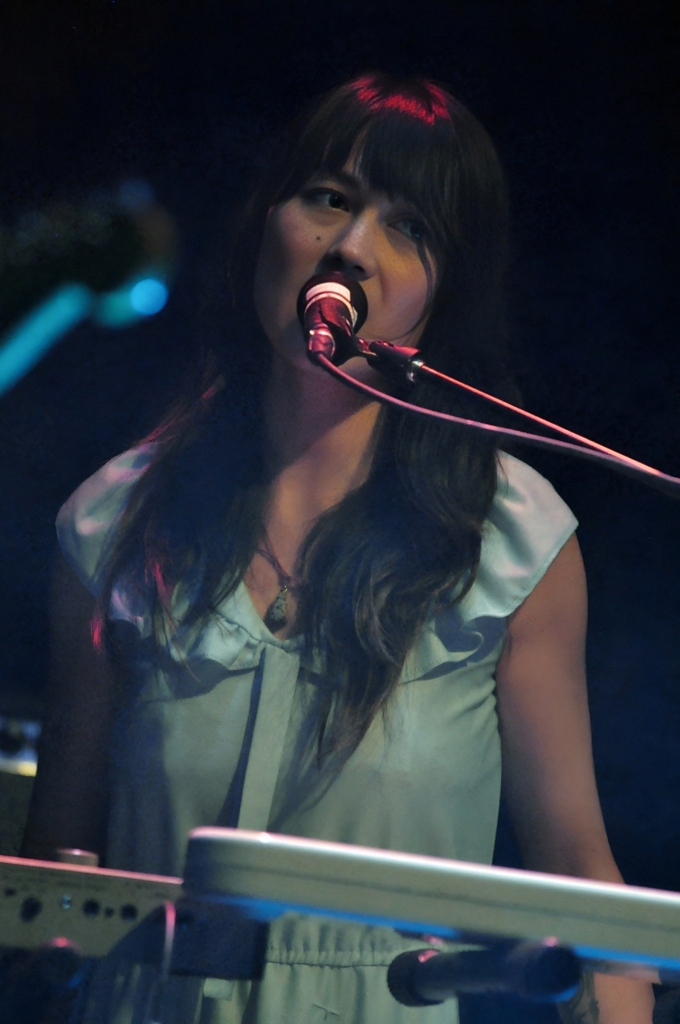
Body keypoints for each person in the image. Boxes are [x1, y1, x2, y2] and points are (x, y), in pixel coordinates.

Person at [23, 73, 654, 1023]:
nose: (353, 248)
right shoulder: (113, 525)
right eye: (330, 199)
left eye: (410, 229)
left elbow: (583, 889)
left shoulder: (516, 547)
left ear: (445, 293)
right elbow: (47, 885)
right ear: (265, 224)